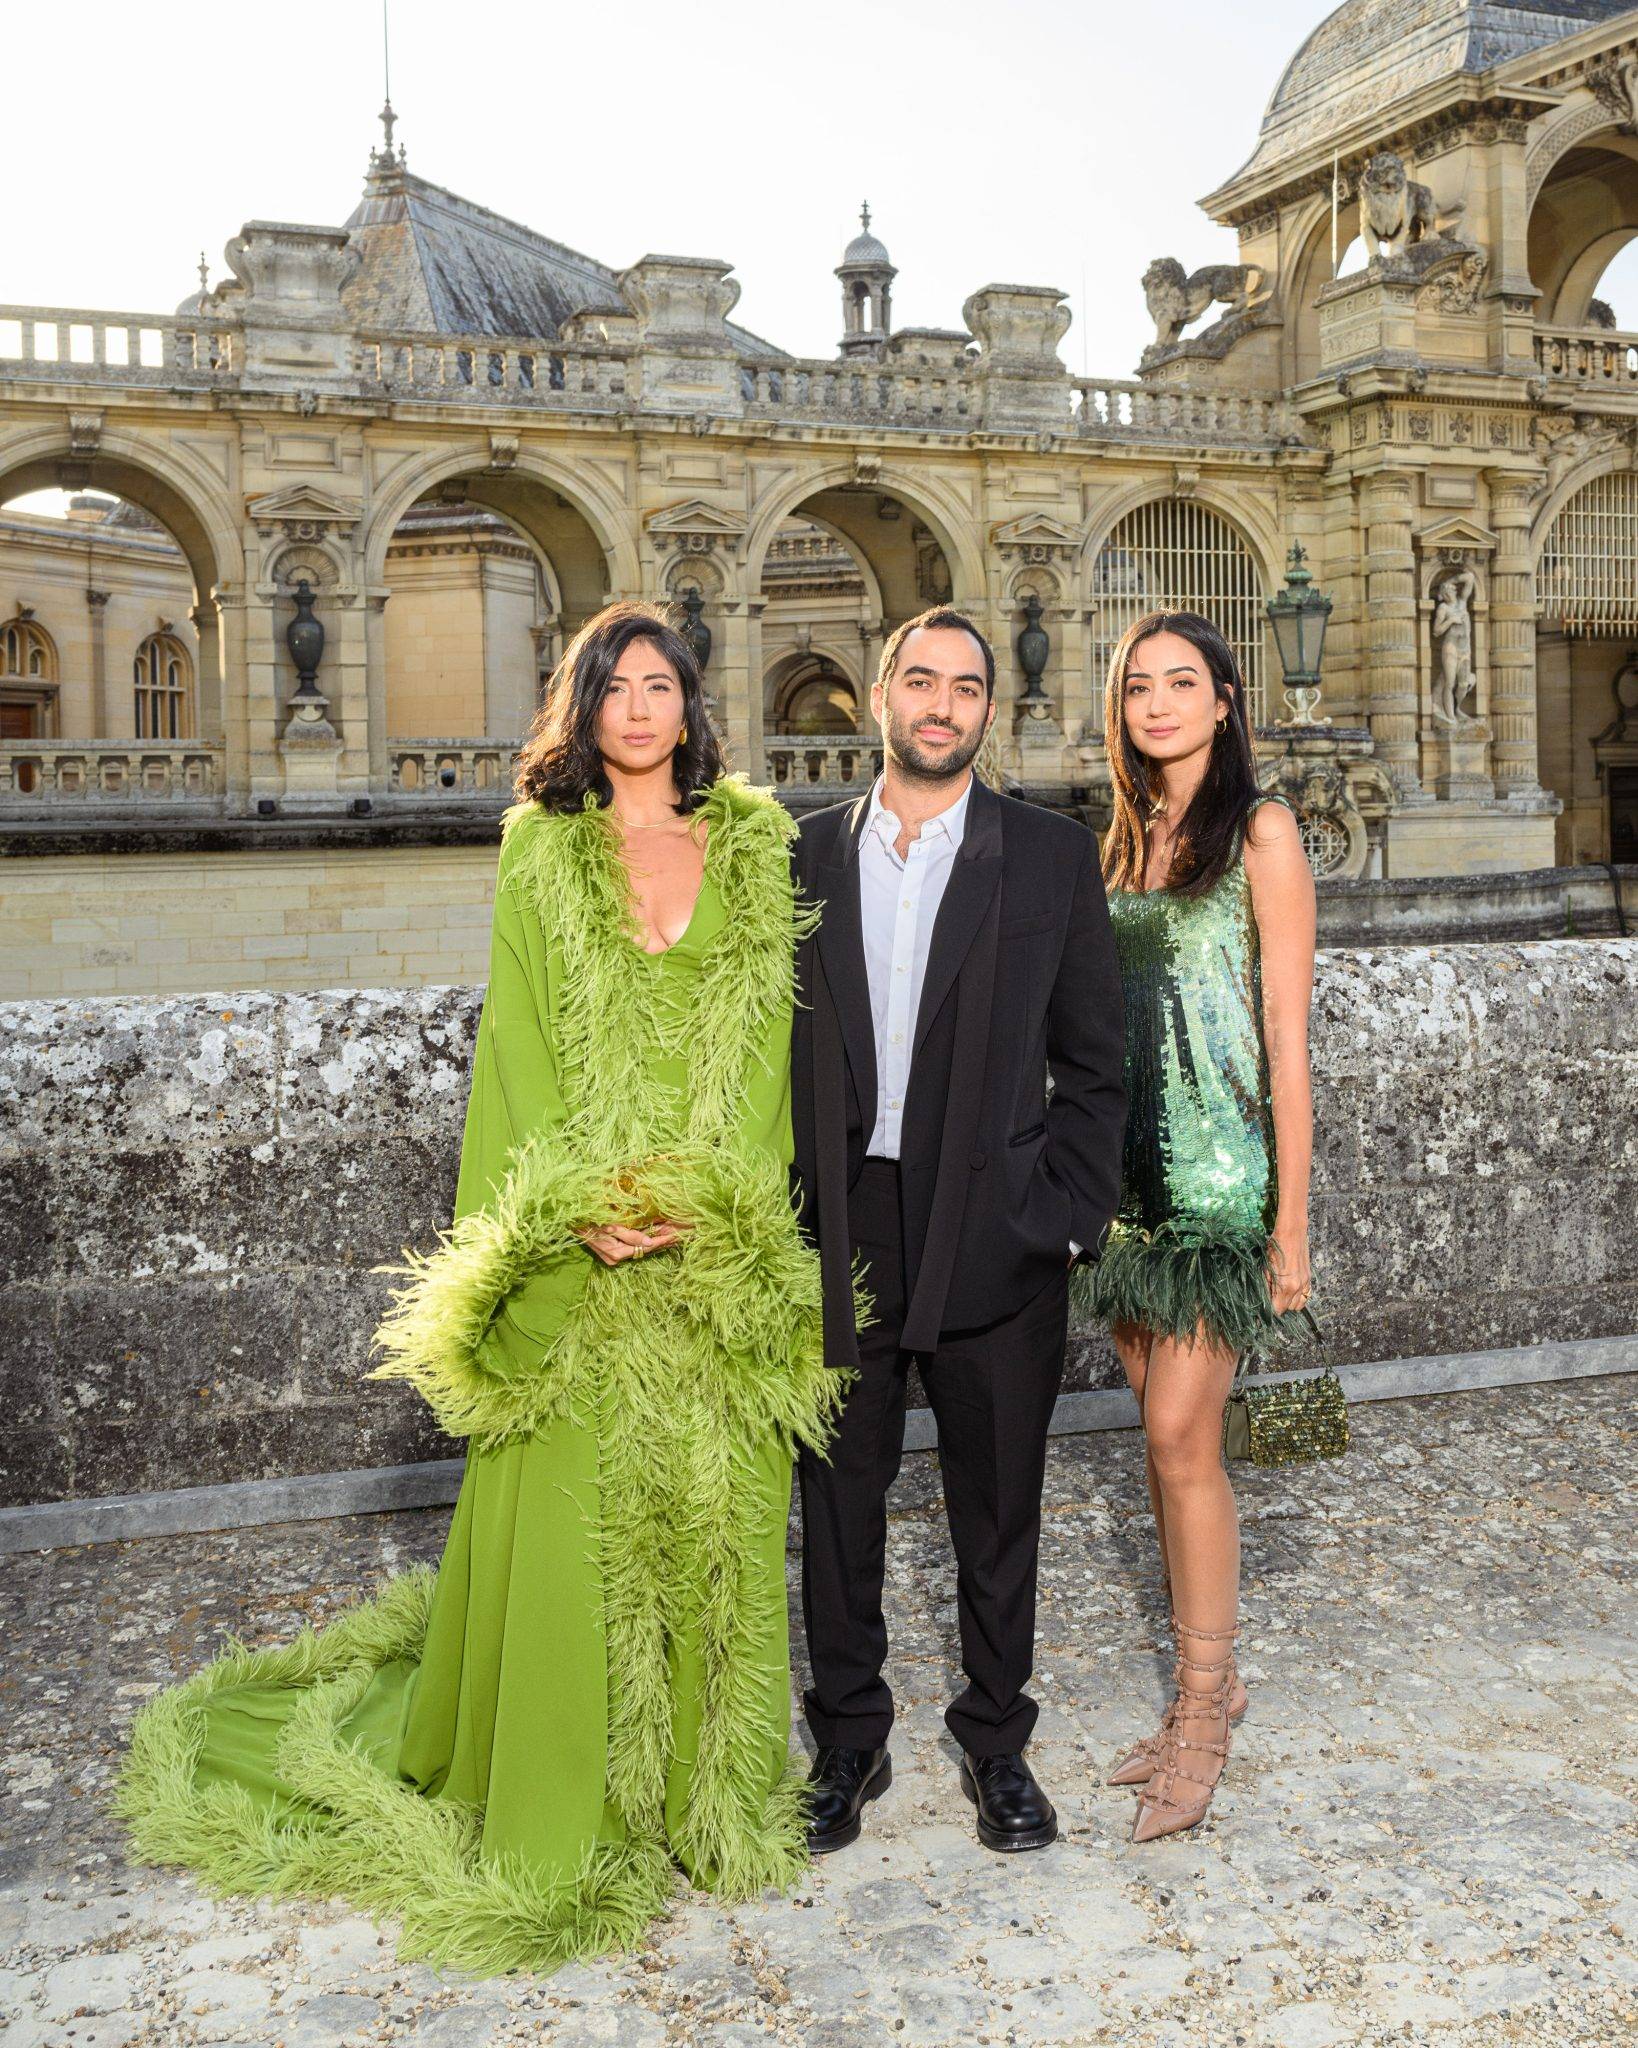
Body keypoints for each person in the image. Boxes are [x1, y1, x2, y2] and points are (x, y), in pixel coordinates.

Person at [112, 600, 848, 1976]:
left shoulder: (757, 849)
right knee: (578, 1530)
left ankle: (709, 1798)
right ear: (583, 707)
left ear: (691, 706)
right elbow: (518, 1051)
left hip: (713, 1242)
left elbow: (767, 1050)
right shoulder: (539, 850)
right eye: (616, 687)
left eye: (661, 686)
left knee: (717, 1524)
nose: (641, 708)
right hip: (586, 1244)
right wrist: (570, 1218)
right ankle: (571, 1807)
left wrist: (711, 1202)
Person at [790, 604, 1127, 1856]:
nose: (943, 704)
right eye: (921, 681)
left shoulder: (1048, 854)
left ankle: (996, 1738)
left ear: (989, 708)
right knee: (839, 1500)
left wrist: (1068, 1217)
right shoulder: (797, 855)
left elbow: (1096, 1061)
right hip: (842, 1222)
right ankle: (849, 1736)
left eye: (966, 687)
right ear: (881, 695)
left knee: (997, 1506)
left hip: (997, 1224)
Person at [1084, 607, 1316, 1843]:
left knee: (1184, 1440)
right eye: (1139, 686)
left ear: (1226, 700)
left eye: (1183, 681)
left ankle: (1207, 1708)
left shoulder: (1261, 831)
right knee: (1162, 1441)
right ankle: (1201, 1688)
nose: (1159, 703)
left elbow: (1286, 1036)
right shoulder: (1123, 837)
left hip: (1222, 1183)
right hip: (1128, 1191)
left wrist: (1293, 1221)